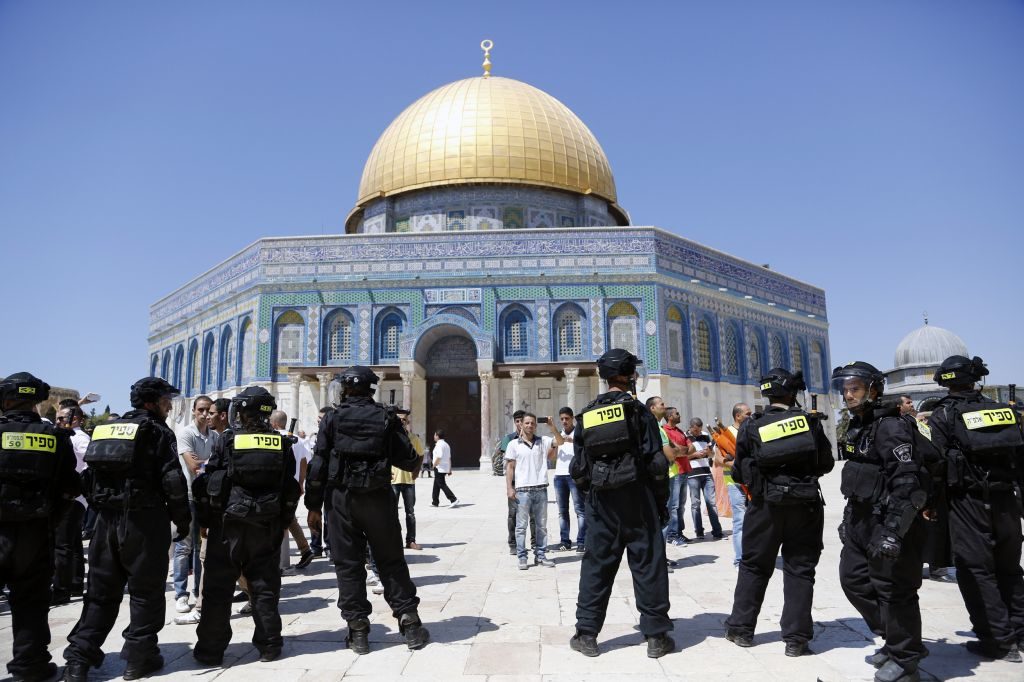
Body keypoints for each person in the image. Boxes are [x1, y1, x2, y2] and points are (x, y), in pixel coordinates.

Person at [64, 377, 191, 682]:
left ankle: (78, 661)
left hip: (106, 523)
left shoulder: (108, 429)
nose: (168, 405)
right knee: (145, 592)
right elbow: (173, 481)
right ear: (151, 402)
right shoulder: (158, 431)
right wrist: (182, 520)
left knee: (99, 594)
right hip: (143, 523)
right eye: (165, 400)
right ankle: (139, 658)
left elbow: (89, 475)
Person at [304, 366, 429, 654]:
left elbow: (319, 464)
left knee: (348, 566)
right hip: (378, 499)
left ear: (345, 390)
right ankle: (410, 625)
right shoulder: (386, 417)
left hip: (340, 500)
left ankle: (358, 631)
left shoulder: (332, 418)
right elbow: (409, 461)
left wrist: (313, 506)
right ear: (371, 389)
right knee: (390, 561)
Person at [568, 348, 674, 659]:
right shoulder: (638, 412)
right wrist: (659, 503)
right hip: (637, 498)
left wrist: (593, 500)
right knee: (648, 564)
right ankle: (656, 637)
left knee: (597, 566)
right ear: (629, 376)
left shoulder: (586, 415)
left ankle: (586, 634)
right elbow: (656, 463)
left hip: (602, 502)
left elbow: (580, 468)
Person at [725, 369, 834, 657]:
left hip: (765, 506)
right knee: (799, 569)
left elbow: (739, 471)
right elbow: (825, 463)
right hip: (805, 505)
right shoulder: (808, 422)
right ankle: (796, 640)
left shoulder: (751, 425)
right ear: (791, 392)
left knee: (753, 566)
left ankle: (742, 630)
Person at [833, 362, 930, 682]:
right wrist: (849, 519)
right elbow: (858, 476)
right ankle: (897, 640)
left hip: (888, 521)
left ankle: (905, 659)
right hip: (862, 520)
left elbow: (908, 486)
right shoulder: (858, 425)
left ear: (873, 390)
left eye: (855, 389)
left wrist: (893, 531)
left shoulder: (891, 426)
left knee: (894, 591)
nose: (848, 395)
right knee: (854, 580)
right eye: (845, 389)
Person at [191, 387, 300, 665]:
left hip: (228, 526)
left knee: (217, 589)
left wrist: (204, 522)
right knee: (264, 587)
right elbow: (290, 489)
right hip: (266, 526)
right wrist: (284, 521)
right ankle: (269, 646)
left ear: (242, 412)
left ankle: (210, 650)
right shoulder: (281, 444)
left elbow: (208, 484)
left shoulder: (227, 441)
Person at [927, 355, 1024, 662]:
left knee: (975, 571)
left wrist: (930, 503)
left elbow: (937, 464)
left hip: (968, 500)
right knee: (1010, 569)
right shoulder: (1001, 411)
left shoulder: (943, 415)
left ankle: (998, 641)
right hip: (1006, 499)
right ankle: (1019, 633)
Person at [0, 372, 79, 682]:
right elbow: (70, 488)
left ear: (5, 401)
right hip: (36, 533)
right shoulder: (54, 438)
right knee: (31, 601)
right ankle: (30, 666)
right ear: (37, 401)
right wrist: (51, 519)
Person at [173, 395, 219, 619]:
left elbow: (216, 466)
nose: (204, 414)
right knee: (184, 546)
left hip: (207, 498)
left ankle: (198, 591)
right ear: (193, 410)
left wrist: (205, 463)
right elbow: (192, 467)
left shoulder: (216, 436)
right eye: (200, 410)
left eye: (208, 411)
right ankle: (181, 594)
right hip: (189, 496)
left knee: (204, 549)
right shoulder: (186, 433)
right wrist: (209, 462)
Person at [505, 413, 561, 569]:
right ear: (521, 424)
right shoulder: (513, 444)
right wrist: (510, 488)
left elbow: (560, 442)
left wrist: (552, 427)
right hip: (523, 490)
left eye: (532, 423)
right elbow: (510, 467)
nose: (530, 425)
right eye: (527, 423)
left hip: (541, 488)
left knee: (541, 526)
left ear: (536, 425)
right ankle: (522, 557)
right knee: (521, 526)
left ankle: (541, 556)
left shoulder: (543, 441)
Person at [52, 404, 89, 605]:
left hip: (73, 498)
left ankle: (61, 589)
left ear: (74, 419)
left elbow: (88, 465)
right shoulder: (68, 436)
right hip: (72, 497)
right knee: (73, 544)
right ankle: (74, 584)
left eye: (61, 418)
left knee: (63, 545)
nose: (58, 422)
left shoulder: (79, 439)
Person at [269, 410, 314, 573]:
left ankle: (280, 561)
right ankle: (305, 550)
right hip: (292, 487)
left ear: (273, 423)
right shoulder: (298, 441)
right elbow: (304, 463)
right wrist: (300, 484)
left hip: (277, 486)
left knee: (279, 521)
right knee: (289, 518)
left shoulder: (271, 438)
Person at [721, 403, 752, 567]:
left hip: (752, 482)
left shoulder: (752, 430)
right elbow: (718, 460)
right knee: (740, 521)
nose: (750, 416)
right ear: (738, 416)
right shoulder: (726, 434)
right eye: (748, 414)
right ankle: (740, 559)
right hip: (735, 483)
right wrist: (738, 464)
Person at [552, 407, 585, 553]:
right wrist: (555, 442)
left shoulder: (579, 433)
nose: (564, 421)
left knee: (580, 510)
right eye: (562, 419)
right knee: (562, 511)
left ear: (572, 418)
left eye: (567, 418)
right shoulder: (558, 435)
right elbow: (550, 456)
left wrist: (574, 441)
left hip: (575, 476)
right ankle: (565, 541)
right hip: (559, 476)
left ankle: (582, 541)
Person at [686, 418, 723, 540]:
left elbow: (712, 454)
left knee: (711, 503)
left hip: (706, 473)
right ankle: (699, 531)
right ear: (690, 428)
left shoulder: (706, 436)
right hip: (692, 474)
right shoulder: (685, 436)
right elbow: (682, 457)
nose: (698, 433)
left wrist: (708, 453)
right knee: (695, 504)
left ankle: (717, 531)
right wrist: (695, 455)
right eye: (696, 431)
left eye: (700, 430)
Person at [662, 407, 692, 545]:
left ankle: (679, 532)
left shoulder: (680, 431)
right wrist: (682, 450)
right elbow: (674, 452)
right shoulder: (664, 431)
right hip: (676, 472)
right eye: (676, 413)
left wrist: (682, 450)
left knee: (681, 506)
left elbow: (691, 449)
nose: (679, 415)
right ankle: (672, 535)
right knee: (673, 506)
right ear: (669, 416)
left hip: (685, 470)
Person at [393, 409, 422, 550]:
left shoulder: (413, 439)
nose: (401, 422)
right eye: (398, 419)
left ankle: (411, 540)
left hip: (409, 481)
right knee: (392, 512)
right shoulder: (391, 438)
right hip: (393, 481)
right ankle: (394, 540)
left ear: (407, 422)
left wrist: (416, 471)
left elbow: (420, 455)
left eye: (404, 420)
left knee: (410, 512)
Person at [431, 429, 459, 507]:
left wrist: (434, 465)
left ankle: (453, 499)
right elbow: (449, 458)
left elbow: (439, 456)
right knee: (436, 484)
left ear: (437, 436)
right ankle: (435, 502)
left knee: (441, 484)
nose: (434, 436)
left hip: (439, 468)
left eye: (434, 435)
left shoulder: (439, 445)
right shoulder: (446, 444)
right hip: (444, 468)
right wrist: (449, 469)